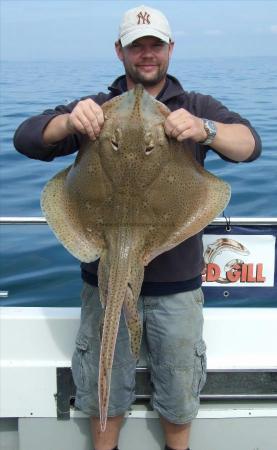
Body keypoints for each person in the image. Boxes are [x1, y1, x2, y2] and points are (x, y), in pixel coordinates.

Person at [13, 5, 262, 450]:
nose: (147, 54)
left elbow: (249, 145)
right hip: (104, 276)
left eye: (155, 46)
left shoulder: (196, 106)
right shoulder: (94, 110)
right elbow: (27, 138)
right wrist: (71, 122)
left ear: (169, 49)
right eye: (136, 47)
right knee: (103, 396)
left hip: (177, 288)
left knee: (179, 399)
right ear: (120, 51)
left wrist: (203, 130)